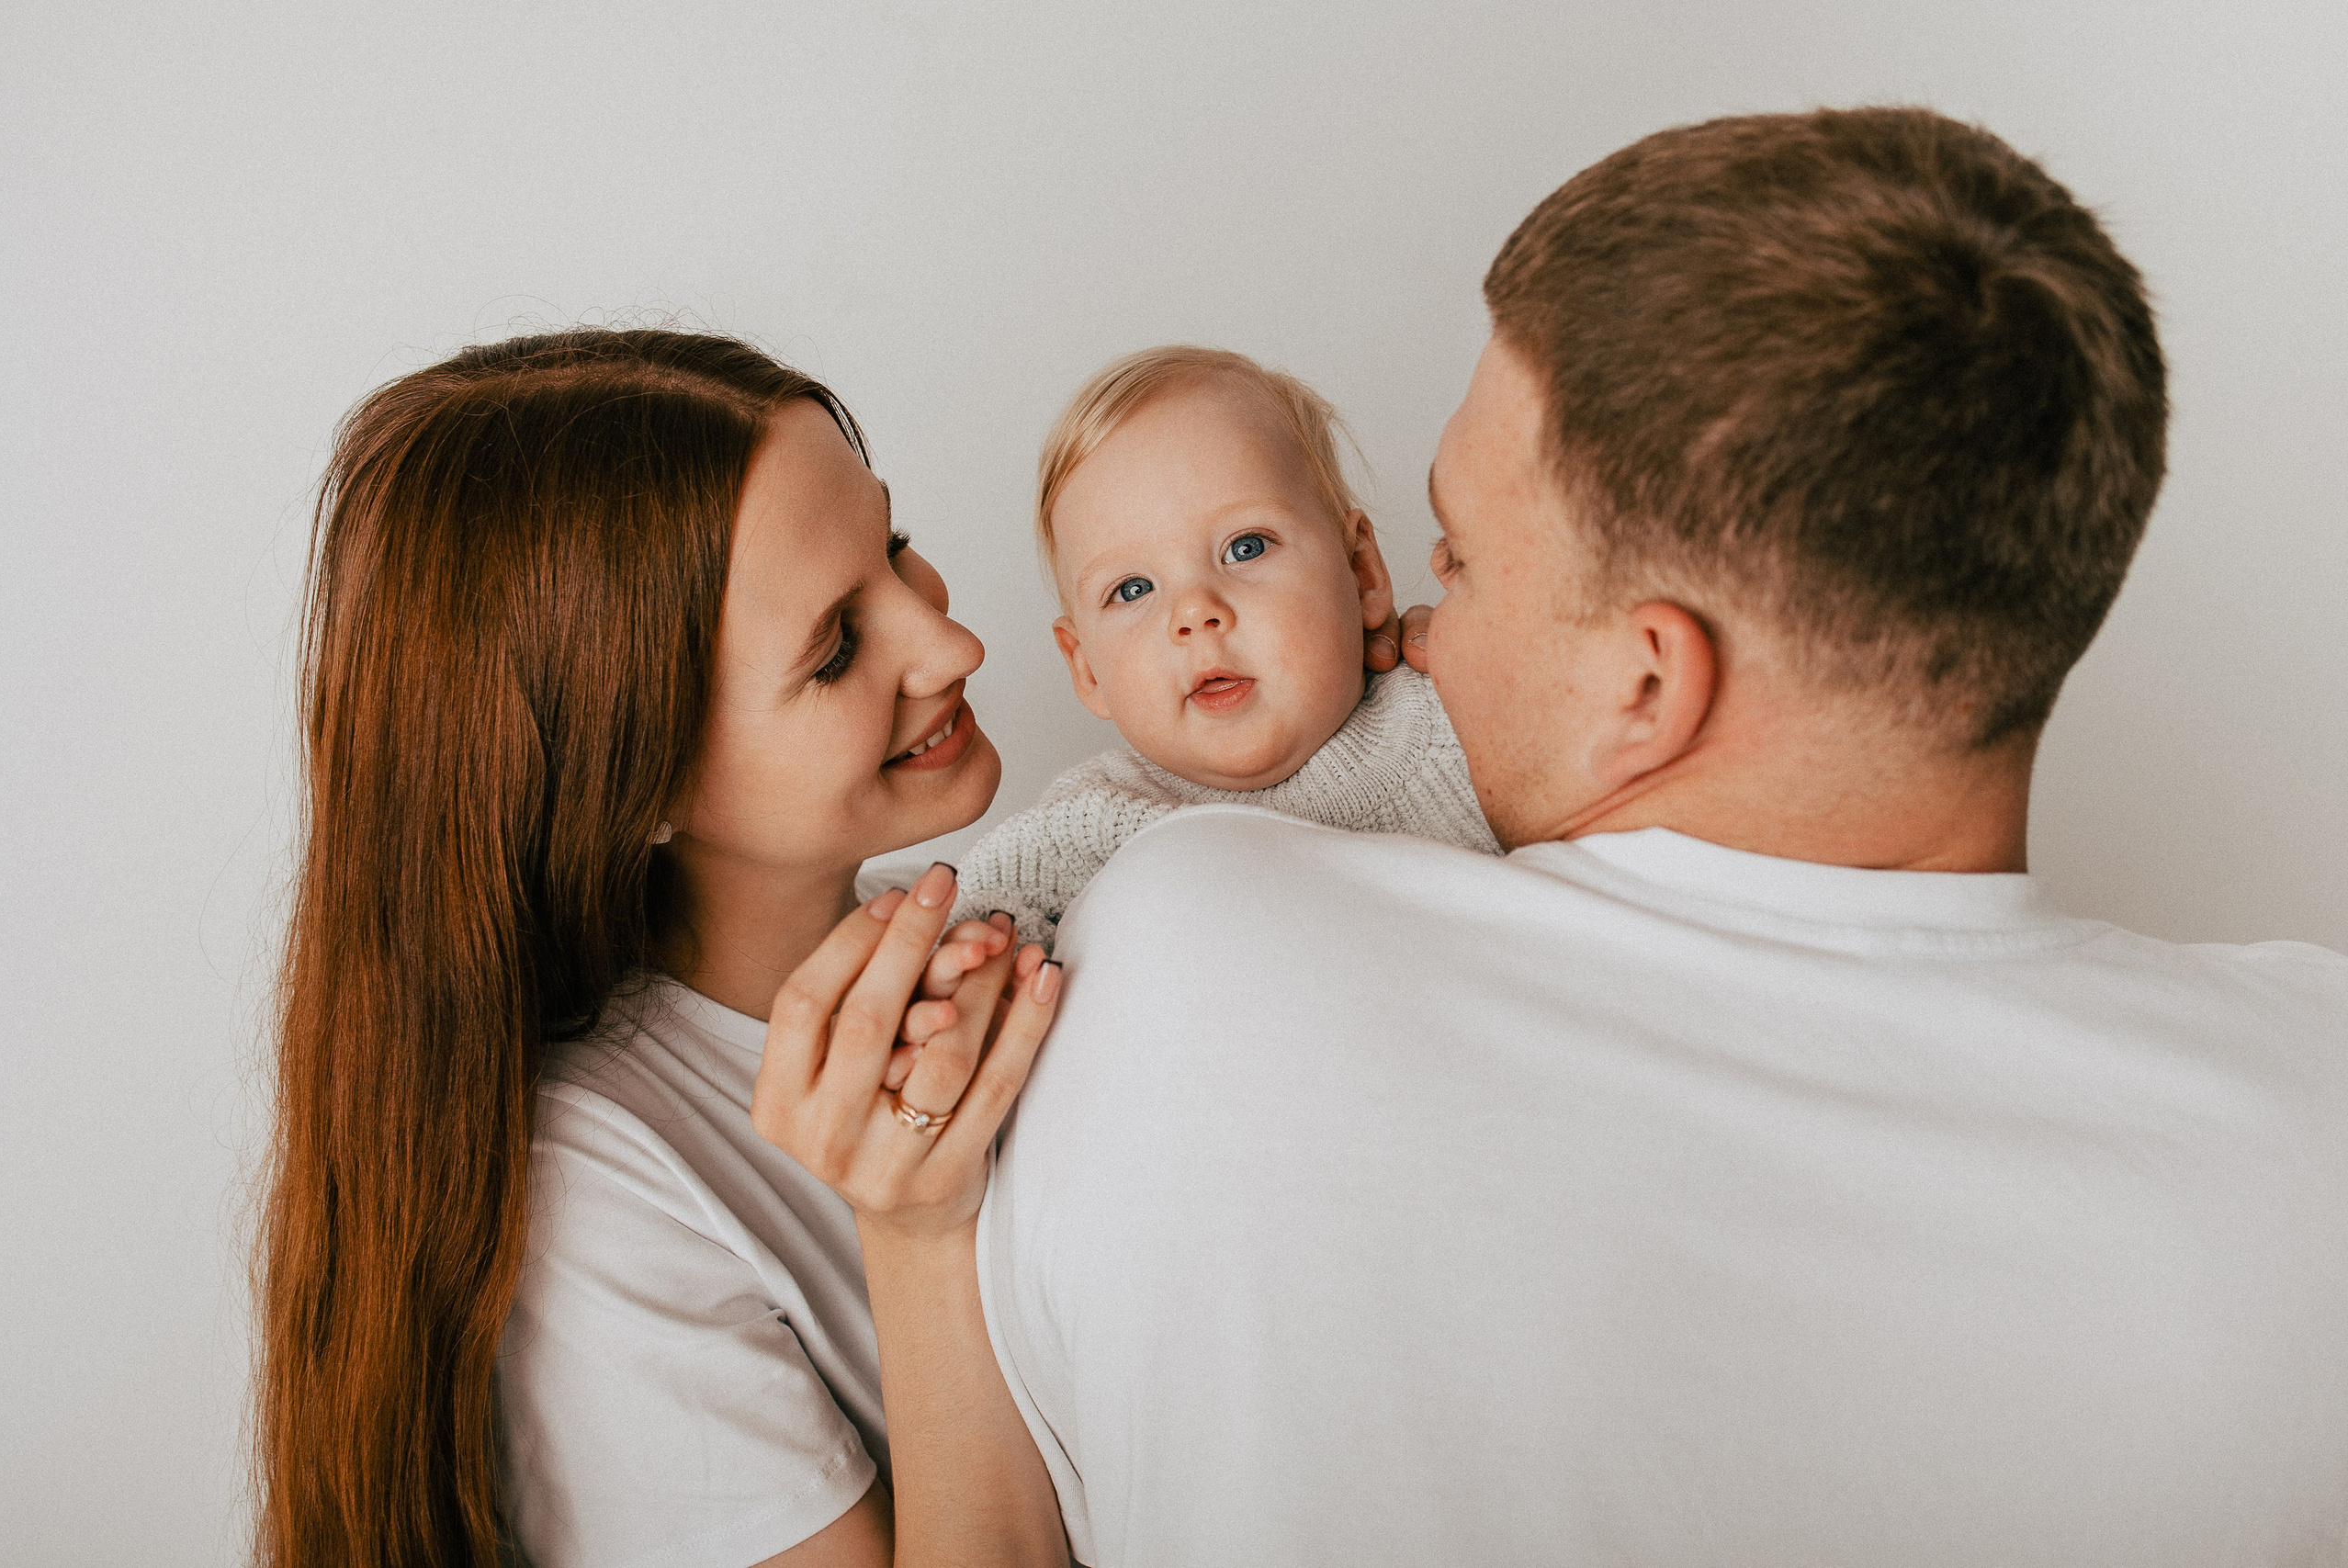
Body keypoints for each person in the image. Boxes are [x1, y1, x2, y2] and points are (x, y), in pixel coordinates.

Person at [967, 107, 2348, 1564]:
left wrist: (921, 1240)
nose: (1415, 613)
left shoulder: (1195, 938)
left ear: (1645, 681)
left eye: (1459, 557)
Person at [256, 329, 1075, 1568]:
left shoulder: (988, 920)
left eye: (896, 547)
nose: (948, 646)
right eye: (837, 647)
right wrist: (915, 1235)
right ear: (625, 782)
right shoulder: (588, 1199)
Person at [949, 344, 1495, 953]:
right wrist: (979, 958)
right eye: (1133, 589)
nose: (1194, 613)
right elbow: (976, 916)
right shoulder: (1095, 819)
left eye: (1245, 548)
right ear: (1086, 669)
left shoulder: (1462, 716)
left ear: (1362, 572)